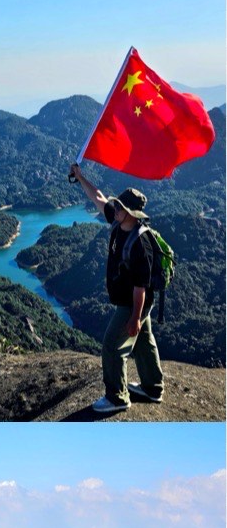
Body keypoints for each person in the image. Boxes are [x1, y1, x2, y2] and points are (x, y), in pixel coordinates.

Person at [68, 164, 165, 415]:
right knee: (143, 340)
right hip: (131, 299)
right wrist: (80, 178)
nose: (116, 208)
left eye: (121, 207)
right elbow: (98, 197)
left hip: (133, 302)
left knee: (112, 345)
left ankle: (117, 397)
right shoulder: (119, 220)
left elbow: (140, 287)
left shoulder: (140, 244)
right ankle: (153, 388)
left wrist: (134, 317)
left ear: (131, 213)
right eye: (118, 206)